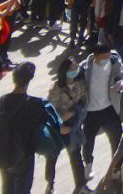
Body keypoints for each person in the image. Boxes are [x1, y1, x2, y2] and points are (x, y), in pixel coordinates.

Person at [0, 62, 47, 194]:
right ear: (29, 80)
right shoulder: (36, 103)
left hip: (5, 151)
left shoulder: (2, 100)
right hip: (25, 153)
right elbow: (44, 121)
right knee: (23, 188)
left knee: (7, 187)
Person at [81, 43, 123, 178]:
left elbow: (122, 74)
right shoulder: (85, 67)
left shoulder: (114, 59)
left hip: (109, 108)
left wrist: (122, 82)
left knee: (117, 138)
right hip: (91, 111)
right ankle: (88, 165)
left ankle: (116, 168)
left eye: (108, 56)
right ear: (95, 56)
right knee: (88, 141)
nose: (108, 59)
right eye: (104, 57)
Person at [45, 56, 89, 194]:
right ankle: (50, 185)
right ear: (65, 71)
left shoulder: (80, 84)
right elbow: (49, 111)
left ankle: (81, 186)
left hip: (73, 127)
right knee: (52, 157)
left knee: (76, 157)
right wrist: (62, 119)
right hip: (59, 128)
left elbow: (83, 101)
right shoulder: (56, 89)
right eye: (72, 68)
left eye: (76, 67)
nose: (76, 70)